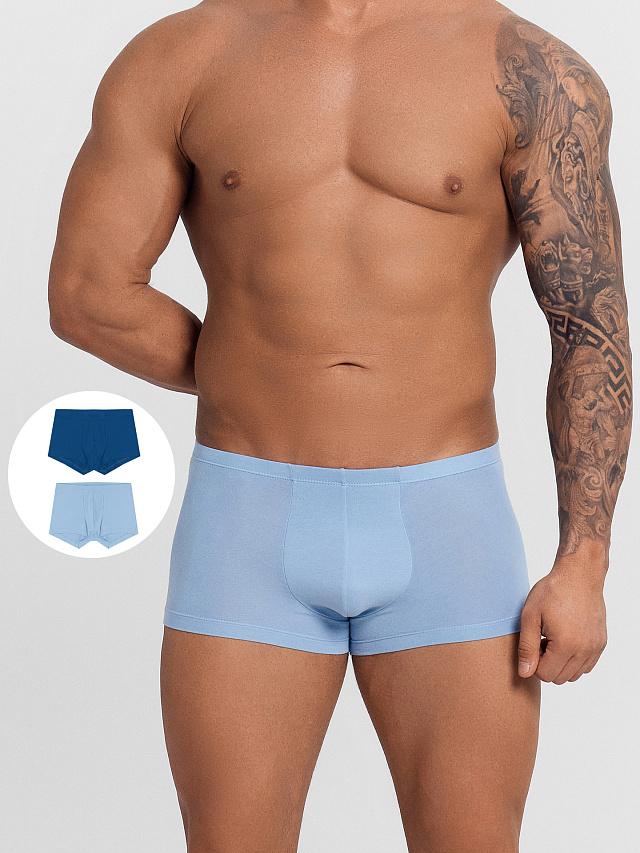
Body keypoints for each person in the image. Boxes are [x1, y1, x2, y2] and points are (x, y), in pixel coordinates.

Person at [47, 1, 632, 850]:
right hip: (247, 523)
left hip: (450, 527)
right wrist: (257, 371)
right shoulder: (182, 57)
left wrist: (585, 561)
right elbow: (88, 293)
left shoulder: (528, 68)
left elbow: (587, 325)